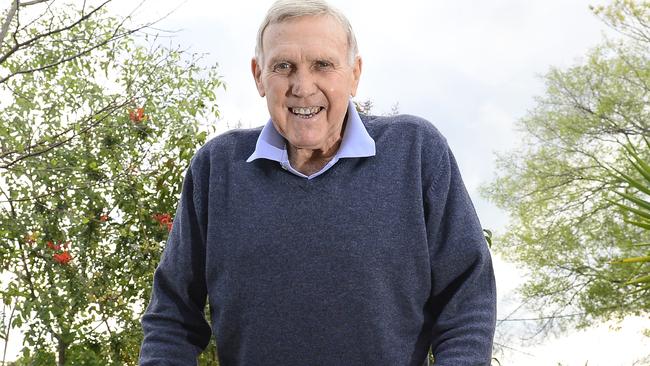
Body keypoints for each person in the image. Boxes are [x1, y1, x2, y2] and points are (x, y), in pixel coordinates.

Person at [139, 0, 497, 365]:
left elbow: (466, 297)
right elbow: (172, 315)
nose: (302, 86)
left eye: (322, 65)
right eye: (283, 67)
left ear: (354, 73)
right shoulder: (217, 168)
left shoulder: (416, 151)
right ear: (258, 76)